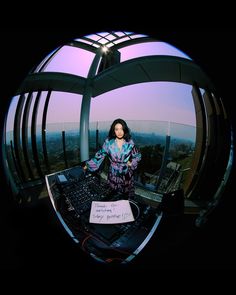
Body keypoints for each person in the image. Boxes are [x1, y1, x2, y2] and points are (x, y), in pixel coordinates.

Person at [83, 118, 141, 199]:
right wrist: (88, 165)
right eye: (117, 129)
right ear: (113, 130)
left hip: (126, 174)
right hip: (113, 174)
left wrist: (132, 163)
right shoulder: (108, 143)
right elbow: (100, 155)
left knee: (125, 196)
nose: (119, 132)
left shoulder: (130, 143)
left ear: (125, 130)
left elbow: (137, 156)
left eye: (121, 129)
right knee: (113, 196)